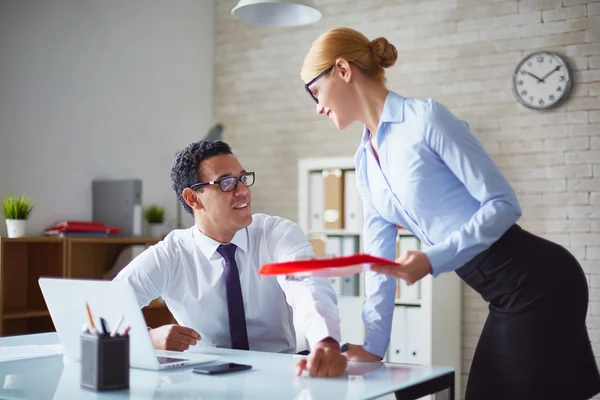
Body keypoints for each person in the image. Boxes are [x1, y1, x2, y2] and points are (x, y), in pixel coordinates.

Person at [300, 27, 600, 399]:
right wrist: (374, 345)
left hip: (539, 281)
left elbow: (503, 204)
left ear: (343, 70)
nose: (317, 106)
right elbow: (378, 260)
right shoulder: (364, 163)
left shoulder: (426, 119)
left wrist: (432, 258)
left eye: (315, 90)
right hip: (502, 294)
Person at [114, 140, 347, 377]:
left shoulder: (276, 234)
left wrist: (325, 341)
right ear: (193, 198)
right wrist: (149, 337)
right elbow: (102, 310)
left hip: (278, 378)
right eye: (227, 183)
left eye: (243, 179)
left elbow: (308, 287)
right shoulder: (170, 254)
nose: (243, 191)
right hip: (205, 383)